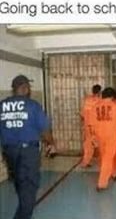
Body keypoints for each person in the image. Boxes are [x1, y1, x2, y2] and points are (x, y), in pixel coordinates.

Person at [0, 75, 55, 219]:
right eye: (28, 86)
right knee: (30, 186)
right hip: (28, 152)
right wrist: (51, 143)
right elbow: (44, 129)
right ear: (24, 88)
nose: (29, 89)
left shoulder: (2, 105)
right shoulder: (33, 105)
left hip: (9, 150)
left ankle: (23, 206)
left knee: (19, 180)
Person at [90, 87, 116, 191]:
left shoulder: (95, 107)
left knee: (103, 157)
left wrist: (93, 137)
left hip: (99, 135)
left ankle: (113, 173)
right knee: (108, 158)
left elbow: (91, 124)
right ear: (112, 97)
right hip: (111, 136)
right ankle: (102, 183)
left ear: (102, 95)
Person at [79, 84, 102, 168]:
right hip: (96, 126)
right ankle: (104, 162)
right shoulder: (99, 101)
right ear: (100, 92)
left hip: (86, 125)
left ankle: (85, 162)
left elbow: (82, 114)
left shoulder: (86, 100)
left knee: (88, 144)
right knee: (101, 143)